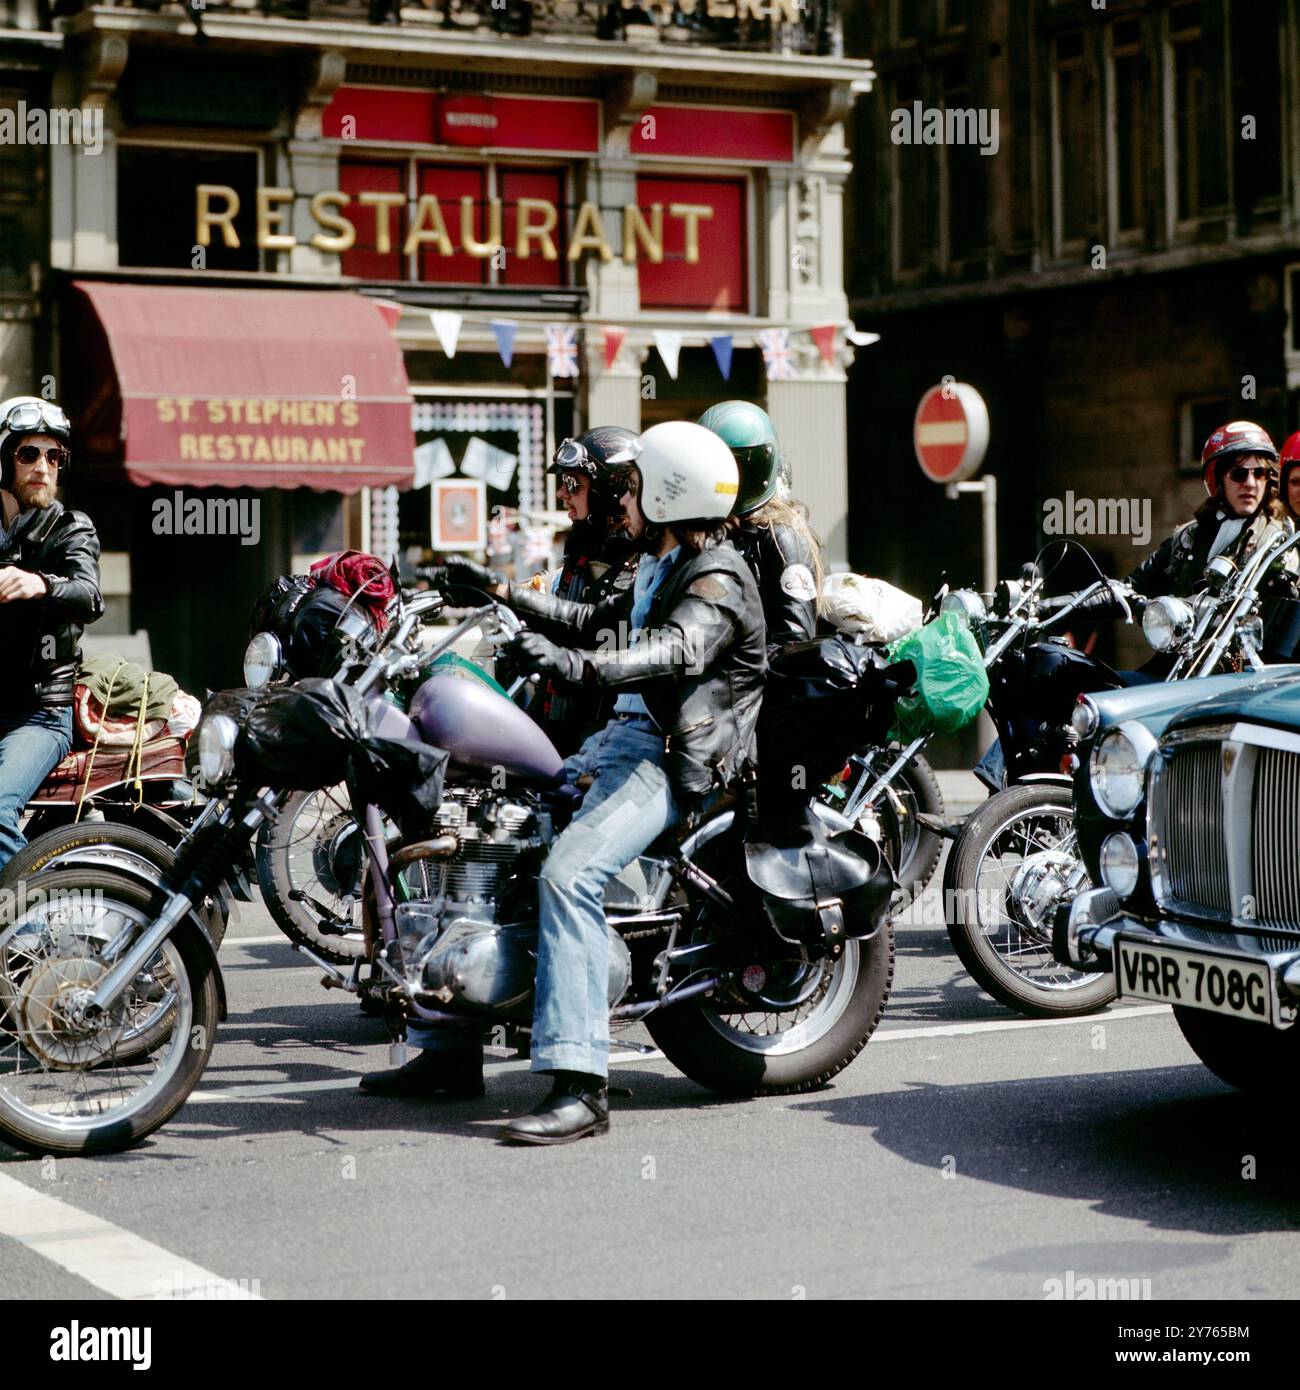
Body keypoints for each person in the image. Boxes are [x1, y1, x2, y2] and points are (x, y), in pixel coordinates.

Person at [360, 421, 766, 1145]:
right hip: (621, 740)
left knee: (569, 874)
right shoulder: (659, 561)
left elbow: (673, 652)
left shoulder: (719, 577)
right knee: (485, 828)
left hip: (673, 758)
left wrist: (572, 666)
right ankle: (447, 1050)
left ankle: (582, 1086)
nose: (625, 501)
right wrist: (499, 591)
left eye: (637, 489)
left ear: (669, 495)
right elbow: (590, 617)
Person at [0, 397, 104, 869]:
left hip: (40, 715)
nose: (43, 466)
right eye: (28, 454)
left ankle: (31, 932)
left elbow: (89, 595)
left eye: (53, 456)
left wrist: (41, 583)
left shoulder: (70, 529)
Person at [530, 427, 640, 755]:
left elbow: (598, 628)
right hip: (561, 719)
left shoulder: (647, 562)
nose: (563, 493)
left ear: (608, 490)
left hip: (610, 730)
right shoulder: (580, 552)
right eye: (563, 482)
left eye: (573, 484)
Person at [697, 400, 824, 650]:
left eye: (732, 465)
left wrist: (733, 664)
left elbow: (794, 641)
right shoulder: (714, 527)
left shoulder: (783, 536)